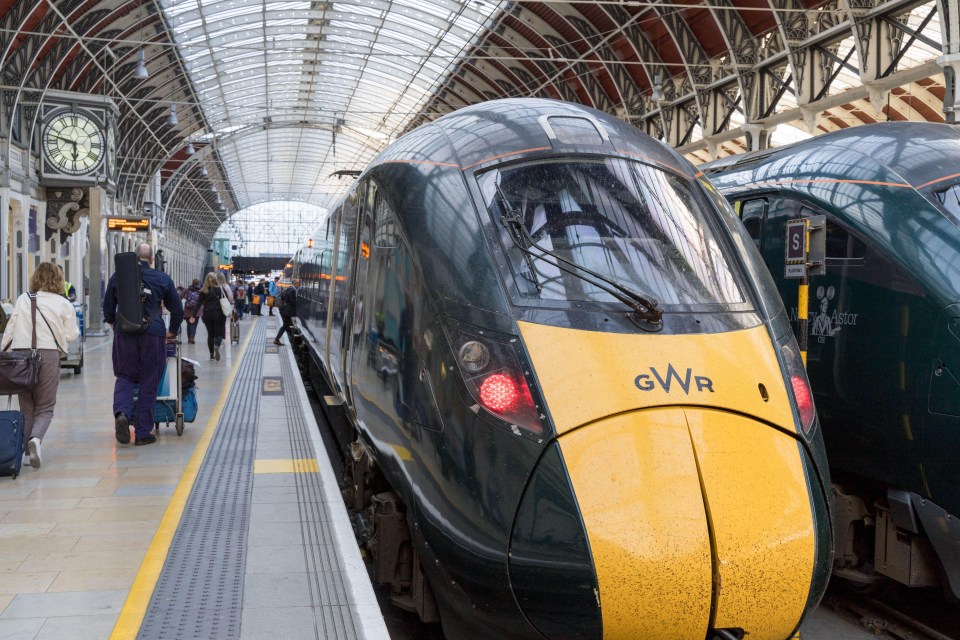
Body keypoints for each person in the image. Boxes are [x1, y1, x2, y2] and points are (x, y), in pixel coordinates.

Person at [0, 263, 80, 469]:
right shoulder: (64, 304)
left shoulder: (23, 298)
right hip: (48, 355)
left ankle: (25, 455)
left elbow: (10, 328)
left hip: (21, 357)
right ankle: (36, 439)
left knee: (27, 408)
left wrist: (5, 354)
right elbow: (72, 335)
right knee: (45, 407)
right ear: (59, 281)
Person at [103, 243, 182, 447]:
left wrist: (115, 324)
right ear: (152, 259)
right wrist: (172, 330)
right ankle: (143, 432)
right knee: (149, 381)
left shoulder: (118, 276)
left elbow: (107, 307)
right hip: (153, 335)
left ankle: (122, 413)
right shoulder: (162, 278)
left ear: (134, 257)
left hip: (125, 333)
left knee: (125, 376)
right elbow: (177, 308)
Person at [197, 272, 228, 361]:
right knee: (218, 333)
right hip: (219, 314)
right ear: (216, 279)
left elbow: (198, 303)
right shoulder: (221, 289)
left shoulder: (203, 290)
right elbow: (227, 300)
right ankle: (217, 345)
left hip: (207, 314)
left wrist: (193, 315)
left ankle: (211, 355)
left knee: (210, 334)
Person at [273, 278, 299, 346]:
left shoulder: (289, 288)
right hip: (286, 311)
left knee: (285, 325)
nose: (299, 285)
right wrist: (298, 304)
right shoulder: (292, 290)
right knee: (285, 325)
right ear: (295, 283)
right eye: (298, 283)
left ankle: (277, 339)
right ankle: (276, 339)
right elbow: (292, 300)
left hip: (284, 309)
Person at [180, 278, 202, 344]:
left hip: (188, 309)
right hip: (197, 310)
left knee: (189, 324)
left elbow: (180, 297)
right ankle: (192, 338)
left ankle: (189, 338)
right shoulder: (200, 290)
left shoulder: (187, 289)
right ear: (198, 283)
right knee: (194, 324)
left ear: (192, 283)